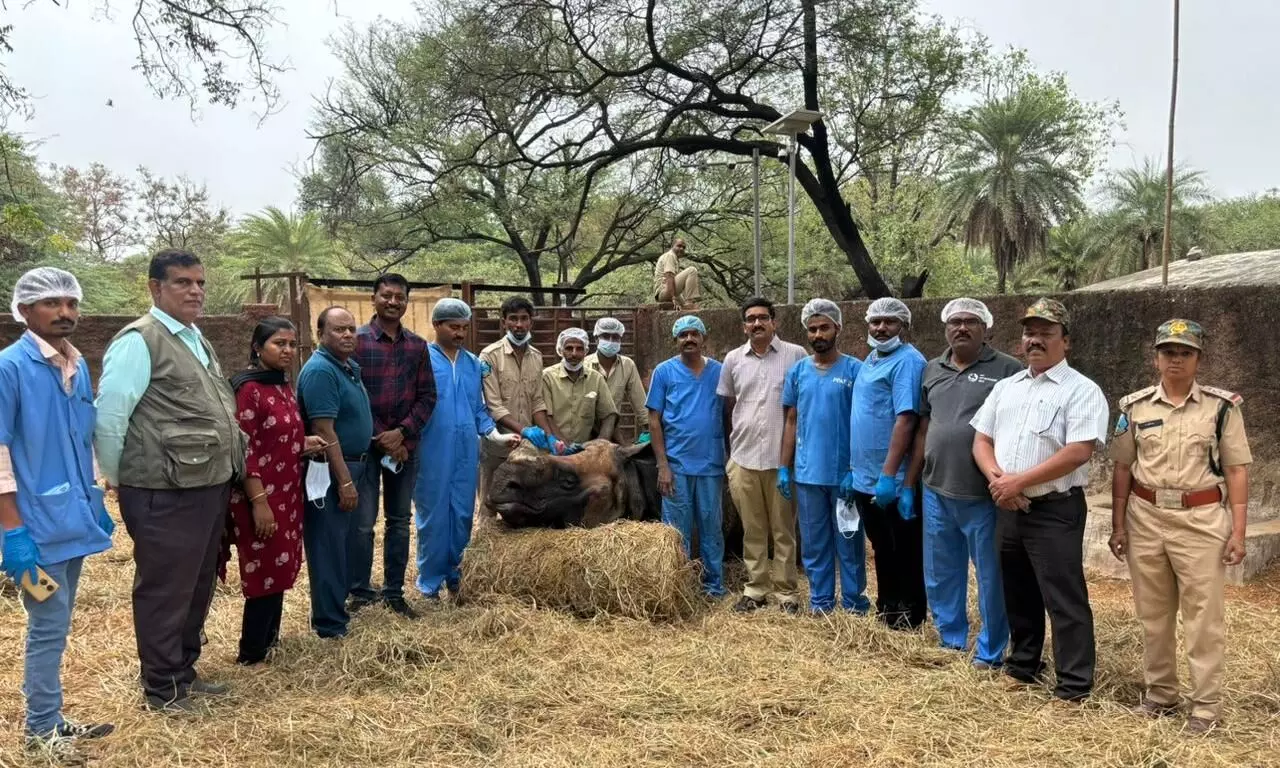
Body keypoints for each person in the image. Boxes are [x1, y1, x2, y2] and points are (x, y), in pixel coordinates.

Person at [96, 249, 245, 713]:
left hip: (203, 484)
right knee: (165, 588)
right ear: (154, 288)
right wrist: (121, 480)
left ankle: (184, 670)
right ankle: (162, 688)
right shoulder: (140, 340)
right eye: (182, 283)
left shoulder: (195, 338)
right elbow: (110, 416)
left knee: (196, 583)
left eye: (199, 283)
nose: (195, 291)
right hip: (161, 489)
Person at [1109, 319, 1251, 734]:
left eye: (1185, 352)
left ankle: (1205, 705)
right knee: (1153, 613)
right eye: (1168, 351)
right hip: (1146, 515)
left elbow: (1237, 472)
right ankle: (1161, 693)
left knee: (1203, 616)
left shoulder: (1222, 408)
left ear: (1198, 359)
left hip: (1201, 520)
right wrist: (1118, 525)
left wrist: (1238, 532)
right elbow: (1122, 467)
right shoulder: (1134, 408)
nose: (1176, 359)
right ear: (1156, 357)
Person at [970, 297, 1109, 703]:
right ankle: (1023, 665)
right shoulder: (1006, 387)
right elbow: (981, 439)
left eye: (1046, 333)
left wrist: (1018, 482)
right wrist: (999, 480)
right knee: (1018, 590)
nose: (1035, 340)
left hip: (1054, 509)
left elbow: (1078, 451)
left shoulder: (1081, 390)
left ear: (1066, 341)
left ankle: (1074, 684)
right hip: (1008, 507)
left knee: (1063, 597)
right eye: (1030, 333)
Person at [0, 269, 114, 753]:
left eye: (71, 302)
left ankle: (52, 718)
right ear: (24, 311)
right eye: (51, 303)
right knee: (47, 626)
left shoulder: (76, 363)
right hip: (34, 527)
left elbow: (82, 437)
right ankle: (40, 732)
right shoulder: (10, 367)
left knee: (59, 622)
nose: (64, 312)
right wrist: (12, 530)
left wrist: (96, 495)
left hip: (73, 517)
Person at [906, 298, 1022, 669]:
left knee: (990, 576)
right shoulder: (931, 369)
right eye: (955, 322)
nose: (962, 328)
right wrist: (911, 482)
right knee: (941, 572)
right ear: (945, 328)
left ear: (985, 328)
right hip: (937, 488)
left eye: (971, 322)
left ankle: (990, 650)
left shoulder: (1008, 370)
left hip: (982, 494)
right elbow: (924, 427)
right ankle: (950, 638)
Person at [224, 317, 326, 665]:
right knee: (263, 568)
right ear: (257, 347)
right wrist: (258, 502)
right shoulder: (248, 389)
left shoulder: (282, 385)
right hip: (260, 496)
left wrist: (303, 442)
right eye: (278, 344)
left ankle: (270, 642)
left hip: (287, 492)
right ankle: (251, 652)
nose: (287, 351)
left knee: (280, 567)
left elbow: (278, 435)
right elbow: (245, 449)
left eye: (291, 344)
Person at [415, 299, 521, 600]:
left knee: (462, 514)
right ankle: (429, 584)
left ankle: (456, 576)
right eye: (453, 327)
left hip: (465, 452)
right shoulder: (422, 359)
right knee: (433, 516)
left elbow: (479, 409)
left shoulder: (473, 364)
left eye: (464, 327)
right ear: (437, 325)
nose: (460, 333)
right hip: (431, 449)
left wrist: (495, 435)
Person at [350, 273, 436, 619]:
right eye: (386, 295)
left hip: (404, 450)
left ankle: (394, 592)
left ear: (406, 302)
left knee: (400, 521)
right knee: (362, 523)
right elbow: (352, 397)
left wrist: (402, 434)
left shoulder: (417, 346)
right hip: (365, 449)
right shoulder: (354, 342)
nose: (393, 302)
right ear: (374, 298)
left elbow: (428, 396)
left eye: (399, 297)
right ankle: (359, 591)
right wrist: (382, 437)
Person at [840, 297, 927, 630]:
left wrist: (891, 477)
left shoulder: (908, 362)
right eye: (875, 321)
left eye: (889, 321)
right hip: (864, 478)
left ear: (902, 325)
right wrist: (853, 470)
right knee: (882, 549)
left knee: (904, 550)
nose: (881, 327)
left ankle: (909, 615)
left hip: (890, 480)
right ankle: (888, 607)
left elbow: (906, 420)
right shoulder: (871, 360)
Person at [778, 299, 868, 615]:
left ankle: (855, 604)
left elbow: (863, 422)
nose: (818, 334)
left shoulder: (857, 370)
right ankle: (820, 602)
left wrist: (855, 469)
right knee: (815, 545)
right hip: (807, 474)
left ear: (837, 328)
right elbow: (791, 420)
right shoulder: (798, 372)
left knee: (849, 543)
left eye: (824, 327)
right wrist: (784, 468)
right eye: (812, 328)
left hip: (845, 476)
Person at [719, 297, 807, 613]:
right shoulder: (732, 360)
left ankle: (786, 594)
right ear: (744, 325)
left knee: (784, 530)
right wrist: (732, 454)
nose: (757, 324)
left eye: (763, 318)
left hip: (781, 462)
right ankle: (755, 590)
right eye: (751, 319)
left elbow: (802, 407)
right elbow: (729, 406)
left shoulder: (796, 356)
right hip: (743, 459)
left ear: (775, 322)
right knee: (752, 530)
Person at [295, 307, 374, 640]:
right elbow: (324, 430)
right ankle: (329, 623)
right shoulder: (320, 372)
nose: (347, 335)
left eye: (352, 329)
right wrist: (344, 481)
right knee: (327, 544)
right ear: (320, 333)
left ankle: (338, 609)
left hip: (358, 463)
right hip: (331, 469)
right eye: (339, 329)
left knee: (345, 542)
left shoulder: (347, 368)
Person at [646, 315, 726, 598]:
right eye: (683, 335)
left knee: (711, 527)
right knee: (676, 531)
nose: (689, 339)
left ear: (704, 338)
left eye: (694, 334)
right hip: (677, 465)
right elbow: (654, 421)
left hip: (711, 464)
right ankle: (678, 586)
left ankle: (714, 585)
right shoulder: (664, 372)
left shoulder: (719, 371)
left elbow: (729, 414)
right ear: (675, 340)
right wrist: (663, 465)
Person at [478, 296, 553, 510]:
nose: (518, 325)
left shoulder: (536, 357)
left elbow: (537, 402)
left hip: (526, 449)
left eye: (524, 319)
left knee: (522, 504)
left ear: (531, 322)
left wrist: (549, 436)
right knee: (489, 505)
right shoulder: (489, 356)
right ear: (503, 322)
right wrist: (526, 430)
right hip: (497, 443)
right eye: (513, 319)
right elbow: (493, 406)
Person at [542, 328, 619, 445]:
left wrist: (601, 442)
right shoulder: (547, 377)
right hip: (553, 447)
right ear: (560, 350)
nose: (574, 354)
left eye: (579, 349)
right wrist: (564, 444)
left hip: (584, 450)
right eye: (569, 348)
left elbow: (609, 414)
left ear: (586, 351)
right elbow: (547, 417)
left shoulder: (596, 378)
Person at [585, 317, 648, 442]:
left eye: (615, 337)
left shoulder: (627, 365)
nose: (610, 341)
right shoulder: (584, 365)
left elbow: (639, 400)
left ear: (620, 340)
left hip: (612, 428)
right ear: (596, 339)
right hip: (585, 428)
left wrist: (649, 429)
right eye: (605, 336)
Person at [652, 237, 701, 309]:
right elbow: (669, 276)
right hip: (664, 291)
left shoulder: (675, 259)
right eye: (679, 246)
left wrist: (680, 302)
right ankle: (690, 301)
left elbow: (673, 280)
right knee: (692, 270)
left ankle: (688, 306)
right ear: (672, 246)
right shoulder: (670, 255)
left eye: (684, 247)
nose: (681, 249)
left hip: (666, 291)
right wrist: (673, 298)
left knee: (684, 307)